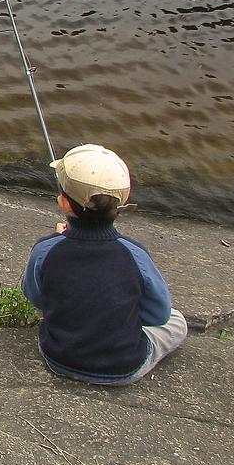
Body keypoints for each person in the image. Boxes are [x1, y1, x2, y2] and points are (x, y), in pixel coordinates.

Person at [22, 144, 187, 385]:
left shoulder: (45, 249)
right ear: (120, 205)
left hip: (57, 358)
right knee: (177, 320)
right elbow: (159, 314)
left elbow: (35, 296)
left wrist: (60, 240)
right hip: (124, 369)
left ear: (65, 205)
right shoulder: (135, 253)